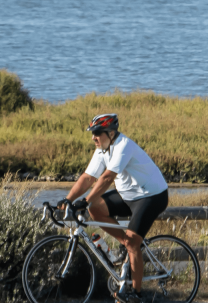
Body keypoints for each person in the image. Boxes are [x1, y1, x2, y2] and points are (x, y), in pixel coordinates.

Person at [59, 113, 170, 301]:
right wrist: (67, 200)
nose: (93, 137)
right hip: (128, 195)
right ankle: (125, 245)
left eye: (97, 133)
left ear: (110, 133)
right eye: (92, 133)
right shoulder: (103, 149)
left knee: (133, 243)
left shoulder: (122, 146)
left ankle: (136, 294)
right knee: (96, 209)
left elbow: (107, 178)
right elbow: (88, 177)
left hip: (151, 196)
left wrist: (85, 201)